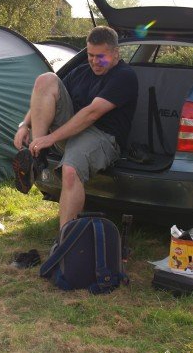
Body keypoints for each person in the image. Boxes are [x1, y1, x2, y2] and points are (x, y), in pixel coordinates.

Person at [13, 26, 138, 228]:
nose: (95, 62)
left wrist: (51, 138)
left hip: (103, 137)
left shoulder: (124, 76)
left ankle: (66, 240)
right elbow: (43, 97)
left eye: (101, 57)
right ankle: (37, 157)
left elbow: (91, 114)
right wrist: (24, 125)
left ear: (115, 53)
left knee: (70, 171)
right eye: (90, 55)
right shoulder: (81, 72)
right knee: (46, 80)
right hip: (72, 132)